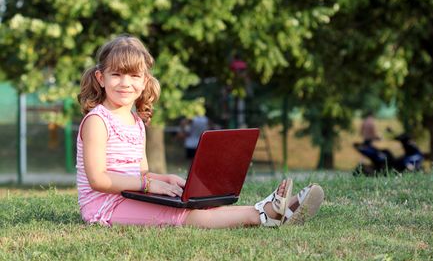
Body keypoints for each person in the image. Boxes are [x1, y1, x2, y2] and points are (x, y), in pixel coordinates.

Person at [76, 35, 324, 228]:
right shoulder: (98, 121)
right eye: (116, 75)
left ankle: (278, 212)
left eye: (133, 76)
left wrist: (164, 179)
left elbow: (141, 173)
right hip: (104, 206)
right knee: (182, 215)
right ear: (100, 77)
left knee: (196, 206)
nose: (125, 83)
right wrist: (148, 184)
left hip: (129, 197)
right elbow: (99, 179)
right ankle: (264, 213)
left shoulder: (136, 121)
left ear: (144, 81)